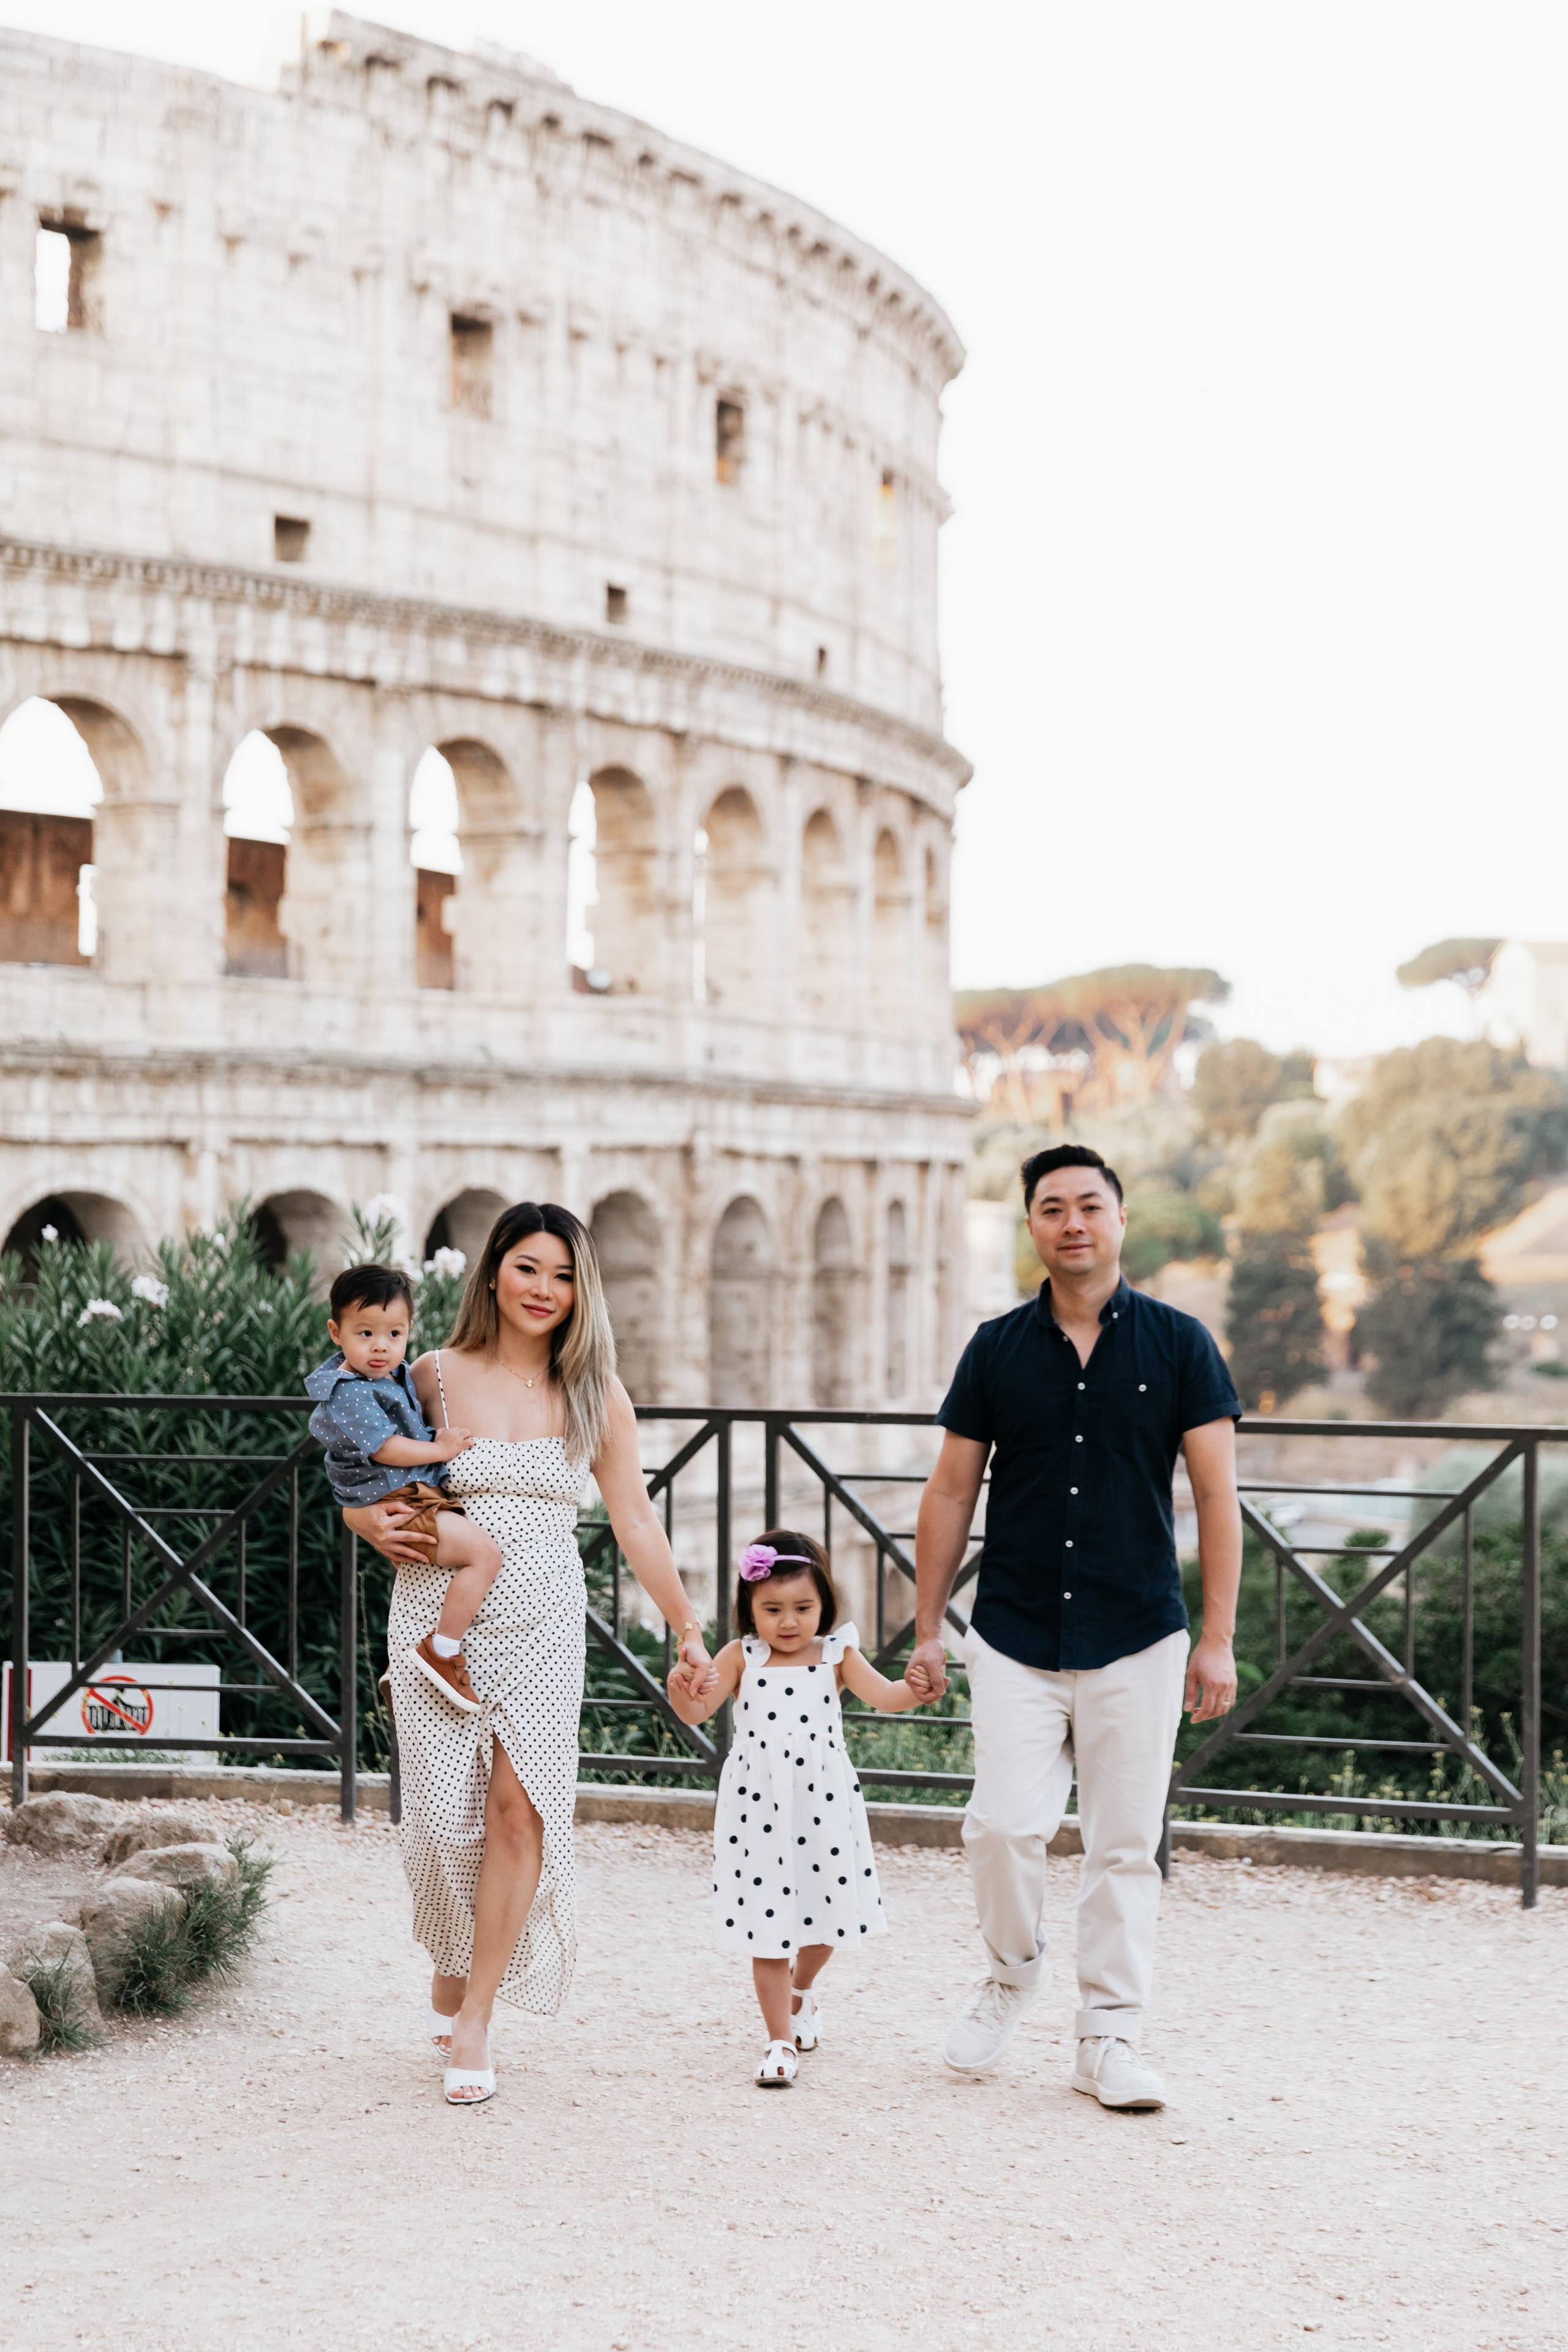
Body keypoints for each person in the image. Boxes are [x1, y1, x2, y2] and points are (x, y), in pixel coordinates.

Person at [343, 1201, 717, 2108]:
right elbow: (358, 1469)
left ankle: (476, 2016)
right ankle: (455, 1948)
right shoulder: (429, 1376)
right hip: (438, 1618)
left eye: (561, 1275)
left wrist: (687, 1627)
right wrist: (363, 1521)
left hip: (546, 1621)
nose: (544, 1290)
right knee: (441, 1824)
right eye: (527, 1269)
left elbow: (634, 1519)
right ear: (494, 1274)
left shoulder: (598, 1394)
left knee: (522, 1814)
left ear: (580, 1289)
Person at [907, 1144, 1242, 2112]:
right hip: (1012, 1631)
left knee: (1124, 1845)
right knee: (1002, 1827)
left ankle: (1110, 2039)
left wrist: (1215, 1637)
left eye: (1089, 1205)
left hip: (1139, 1629)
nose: (1072, 1223)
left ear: (1121, 1220)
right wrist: (929, 1628)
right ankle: (1014, 1972)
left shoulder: (1181, 1346)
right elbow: (950, 1491)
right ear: (1032, 1229)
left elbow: (1217, 1499)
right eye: (1051, 1208)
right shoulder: (997, 1348)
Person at [665, 1529, 927, 2088]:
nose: (788, 1622)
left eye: (803, 1608)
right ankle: (779, 2041)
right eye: (773, 1609)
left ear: (825, 1605)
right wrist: (680, 1690)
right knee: (767, 1923)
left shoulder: (838, 1655)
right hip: (756, 1807)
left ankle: (802, 1989)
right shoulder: (741, 1656)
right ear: (749, 1609)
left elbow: (885, 1695)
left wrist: (917, 1689)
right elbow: (697, 1712)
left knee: (826, 1912)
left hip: (823, 1803)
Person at [306, 1263, 503, 1713]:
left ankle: (406, 1670)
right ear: (336, 1333)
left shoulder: (389, 1376)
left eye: (394, 1335)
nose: (381, 1346)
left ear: (409, 1330)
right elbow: (386, 1449)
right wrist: (442, 1448)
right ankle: (442, 1651)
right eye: (365, 1334)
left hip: (408, 1494)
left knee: (447, 1566)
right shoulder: (350, 1391)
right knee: (485, 1555)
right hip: (399, 1499)